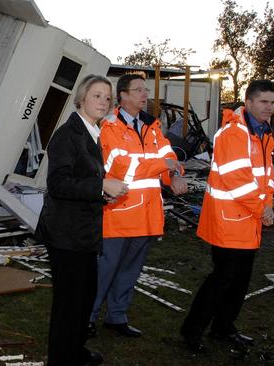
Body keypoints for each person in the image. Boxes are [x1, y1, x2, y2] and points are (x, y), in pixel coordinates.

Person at [35, 74, 127, 366]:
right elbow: (59, 184)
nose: (103, 101)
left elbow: (83, 180)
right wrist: (101, 187)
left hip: (83, 234)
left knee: (84, 298)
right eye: (97, 95)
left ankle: (76, 352)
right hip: (65, 235)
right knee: (69, 305)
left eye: (107, 97)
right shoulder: (67, 135)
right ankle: (63, 359)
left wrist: (103, 194)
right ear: (82, 98)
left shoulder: (91, 132)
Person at [180, 80, 274, 352]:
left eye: (272, 102)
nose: (269, 107)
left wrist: (267, 206)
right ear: (248, 102)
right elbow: (238, 181)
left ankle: (223, 328)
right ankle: (192, 332)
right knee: (221, 280)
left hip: (249, 221)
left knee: (239, 282)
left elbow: (266, 177)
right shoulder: (235, 133)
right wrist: (263, 208)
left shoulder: (263, 133)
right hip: (229, 222)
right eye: (263, 101)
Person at [88, 73, 187, 339]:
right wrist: (161, 166)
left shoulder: (152, 125)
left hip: (147, 214)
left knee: (131, 270)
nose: (145, 95)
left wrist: (173, 175)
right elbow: (120, 167)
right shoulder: (109, 126)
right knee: (105, 269)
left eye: (146, 90)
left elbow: (167, 155)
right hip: (119, 213)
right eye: (139, 90)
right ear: (123, 95)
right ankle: (88, 317)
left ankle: (117, 316)